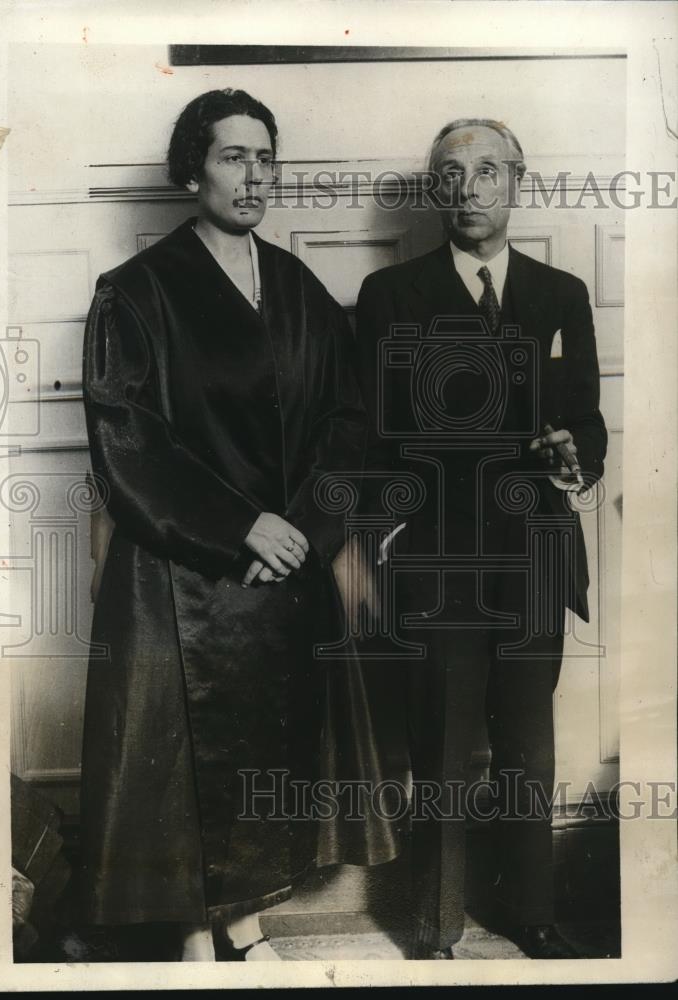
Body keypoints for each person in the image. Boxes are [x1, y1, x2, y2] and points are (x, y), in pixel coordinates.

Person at [80, 88, 399, 963]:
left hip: (284, 567)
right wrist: (240, 527)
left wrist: (301, 530)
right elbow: (127, 438)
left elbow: (345, 422)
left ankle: (247, 926)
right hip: (180, 574)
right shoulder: (137, 291)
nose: (253, 176)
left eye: (265, 158)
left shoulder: (298, 288)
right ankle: (192, 937)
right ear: (193, 171)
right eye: (232, 157)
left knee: (271, 751)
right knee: (181, 767)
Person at [355, 118, 607, 959]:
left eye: (487, 171)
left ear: (517, 182)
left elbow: (586, 423)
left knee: (528, 747)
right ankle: (435, 921)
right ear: (435, 190)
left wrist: (577, 457)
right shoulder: (390, 297)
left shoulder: (562, 294)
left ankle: (529, 909)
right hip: (438, 557)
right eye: (451, 174)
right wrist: (389, 528)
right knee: (442, 744)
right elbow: (370, 436)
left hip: (534, 550)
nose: (469, 189)